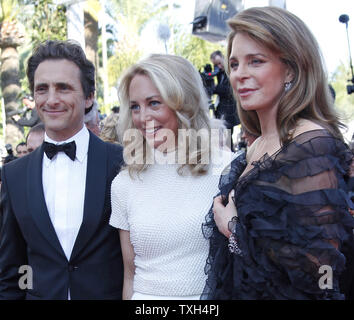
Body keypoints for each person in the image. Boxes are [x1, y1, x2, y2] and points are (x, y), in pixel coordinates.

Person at [202, 6, 354, 300]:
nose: (239, 75)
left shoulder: (310, 142)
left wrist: (233, 231)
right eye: (234, 65)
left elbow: (318, 271)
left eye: (255, 61)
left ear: (291, 69)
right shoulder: (258, 143)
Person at [0, 39, 124, 300]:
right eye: (42, 89)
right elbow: (13, 268)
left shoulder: (120, 163)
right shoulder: (14, 176)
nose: (51, 99)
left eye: (64, 88)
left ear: (89, 97)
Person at [109, 54, 232, 300]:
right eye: (135, 106)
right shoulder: (124, 183)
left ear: (184, 102)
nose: (143, 117)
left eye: (154, 103)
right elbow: (130, 275)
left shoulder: (226, 169)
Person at [210, 50, 240, 151]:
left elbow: (229, 90)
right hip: (223, 110)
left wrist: (214, 89)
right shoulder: (220, 73)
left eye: (219, 63)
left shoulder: (232, 71)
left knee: (227, 139)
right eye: (215, 65)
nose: (218, 66)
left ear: (224, 59)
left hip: (231, 110)